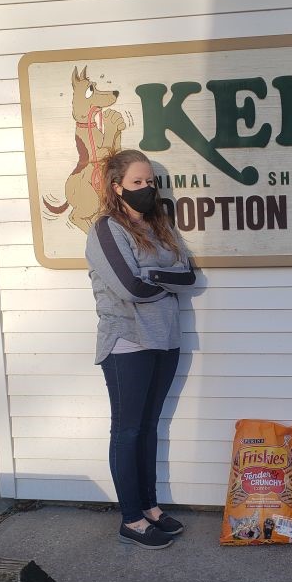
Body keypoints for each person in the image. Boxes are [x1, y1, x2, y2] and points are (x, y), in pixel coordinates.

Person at [85, 149, 196, 549]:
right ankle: (130, 518)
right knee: (128, 429)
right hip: (127, 343)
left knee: (148, 427)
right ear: (117, 187)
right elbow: (129, 287)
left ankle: (149, 508)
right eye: (137, 182)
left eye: (150, 182)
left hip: (165, 339)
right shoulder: (106, 230)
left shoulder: (158, 225)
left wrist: (151, 274)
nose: (147, 188)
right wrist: (158, 279)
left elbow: (189, 276)